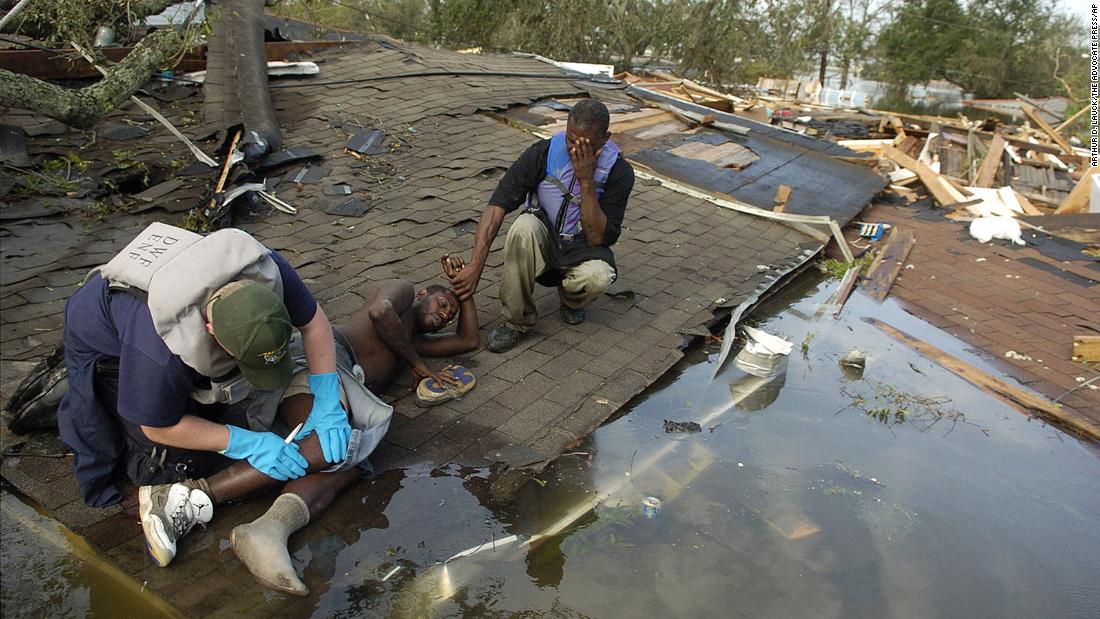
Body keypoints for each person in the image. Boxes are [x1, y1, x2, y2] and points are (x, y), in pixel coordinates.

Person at [139, 256, 479, 595]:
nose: (445, 315)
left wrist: (465, 294)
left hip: (347, 387)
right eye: (443, 303)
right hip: (320, 363)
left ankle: (269, 529)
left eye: (448, 316)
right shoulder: (402, 293)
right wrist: (418, 366)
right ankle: (189, 494)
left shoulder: (415, 343)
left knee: (352, 461)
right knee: (329, 446)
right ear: (423, 292)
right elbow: (381, 312)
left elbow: (468, 341)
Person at [57, 222, 348, 513]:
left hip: (169, 298)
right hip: (109, 347)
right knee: (171, 466)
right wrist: (246, 444)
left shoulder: (268, 269)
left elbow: (314, 323)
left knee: (222, 413)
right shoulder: (159, 349)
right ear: (210, 331)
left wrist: (327, 398)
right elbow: (158, 427)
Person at [449, 98, 635, 352]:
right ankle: (516, 322)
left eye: (586, 145)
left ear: (605, 138)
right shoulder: (543, 152)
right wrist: (475, 266)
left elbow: (597, 237)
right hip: (544, 238)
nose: (575, 150)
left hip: (583, 247)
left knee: (599, 276)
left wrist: (586, 181)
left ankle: (571, 301)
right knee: (522, 227)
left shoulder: (620, 172)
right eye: (571, 140)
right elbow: (497, 205)